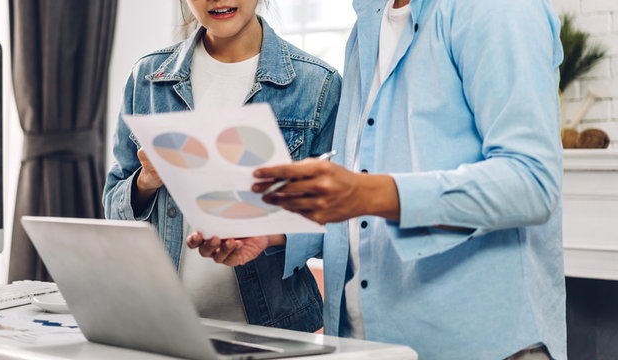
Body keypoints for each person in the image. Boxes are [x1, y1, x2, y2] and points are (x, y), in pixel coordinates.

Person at [187, 0, 565, 358]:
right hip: (367, 343)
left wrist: (367, 193)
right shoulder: (368, 23)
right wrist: (278, 231)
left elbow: (531, 181)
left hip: (479, 346)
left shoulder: (495, 9)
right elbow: (364, 211)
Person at [102, 0, 341, 332]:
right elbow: (113, 208)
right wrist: (146, 181)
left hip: (275, 329)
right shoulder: (148, 77)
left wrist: (272, 233)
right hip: (163, 324)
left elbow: (339, 225)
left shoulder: (318, 84)